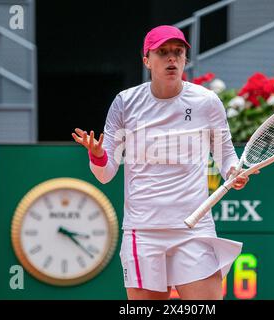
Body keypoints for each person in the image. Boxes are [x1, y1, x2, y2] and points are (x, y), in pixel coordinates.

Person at [72, 25, 257, 300]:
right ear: (146, 60)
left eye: (178, 52)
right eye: (162, 52)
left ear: (185, 59)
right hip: (143, 232)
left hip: (193, 230)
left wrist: (233, 172)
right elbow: (105, 174)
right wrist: (98, 155)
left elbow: (226, 157)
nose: (172, 58)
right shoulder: (125, 103)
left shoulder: (207, 102)